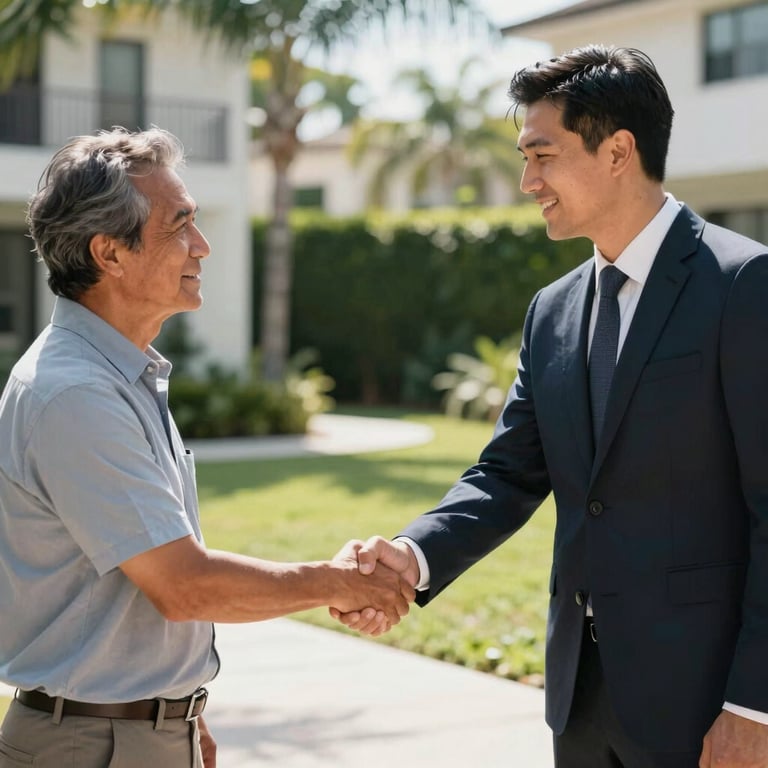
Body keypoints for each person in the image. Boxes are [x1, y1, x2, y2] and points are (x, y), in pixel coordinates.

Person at [333, 44, 768, 768]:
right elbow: (508, 473)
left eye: (542, 155)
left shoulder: (743, 285)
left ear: (618, 151)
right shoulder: (552, 310)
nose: (527, 180)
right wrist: (411, 557)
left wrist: (754, 704)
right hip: (579, 698)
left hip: (705, 702)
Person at [0, 127, 413, 768]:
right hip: (93, 746)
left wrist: (179, 716)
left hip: (128, 735)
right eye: (179, 225)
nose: (203, 245)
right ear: (109, 253)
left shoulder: (115, 375)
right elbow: (182, 585)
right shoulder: (75, 393)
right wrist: (337, 582)